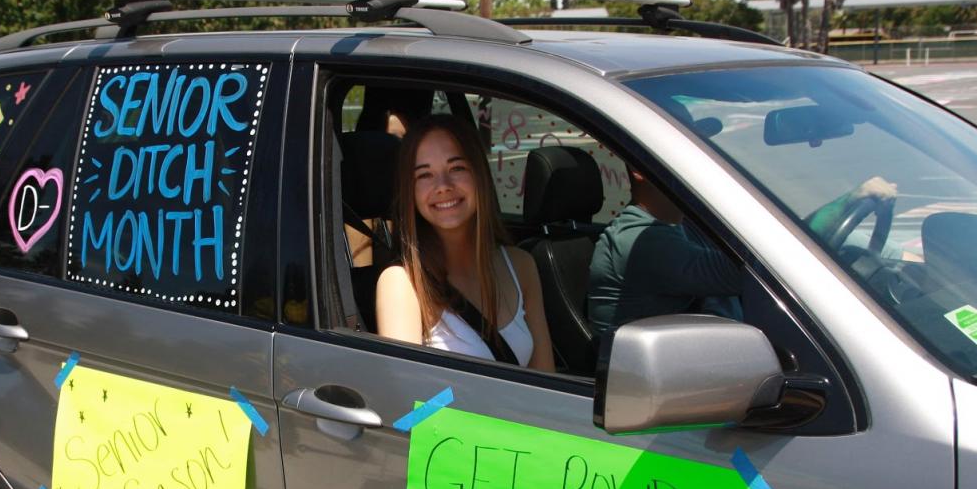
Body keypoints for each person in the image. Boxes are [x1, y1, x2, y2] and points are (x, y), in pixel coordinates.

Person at [588, 167, 897, 331]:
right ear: (640, 172)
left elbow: (763, 242)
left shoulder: (687, 226)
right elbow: (748, 273)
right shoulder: (640, 240)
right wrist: (849, 202)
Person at [376, 115, 555, 371]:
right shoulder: (401, 283)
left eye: (457, 168)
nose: (443, 186)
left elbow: (546, 385)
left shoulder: (520, 265)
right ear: (410, 191)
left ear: (479, 174)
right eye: (425, 175)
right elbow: (407, 403)